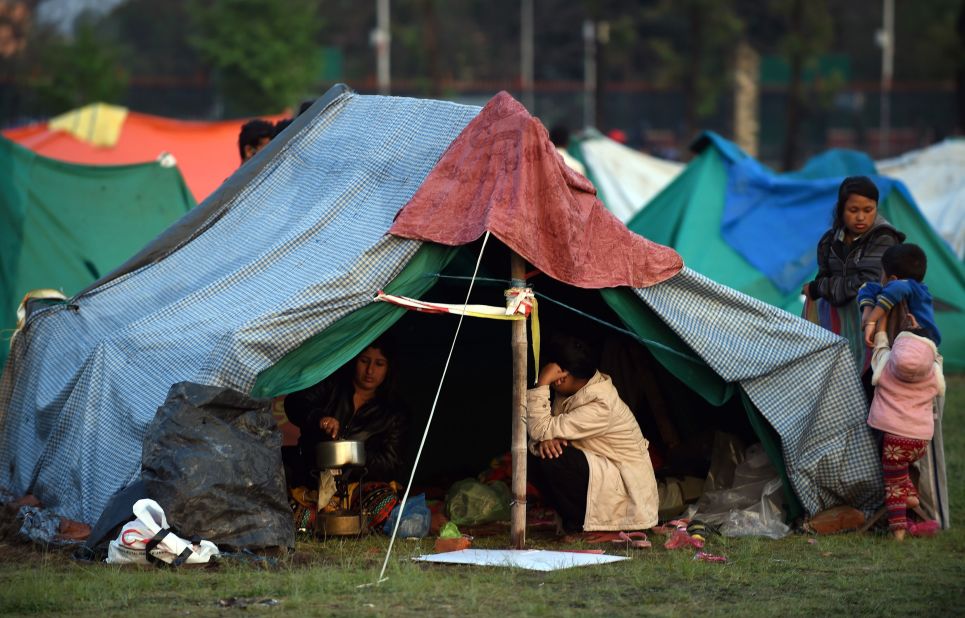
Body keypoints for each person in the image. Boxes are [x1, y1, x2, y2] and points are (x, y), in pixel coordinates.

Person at [526, 334, 658, 534]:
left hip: (626, 489)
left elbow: (541, 428)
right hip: (604, 472)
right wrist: (545, 439)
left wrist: (542, 382)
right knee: (537, 456)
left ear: (561, 377)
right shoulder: (572, 392)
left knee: (555, 459)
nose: (551, 382)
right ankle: (577, 523)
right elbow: (544, 431)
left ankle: (582, 525)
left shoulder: (601, 403)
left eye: (553, 376)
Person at [802, 176, 905, 375]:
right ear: (841, 209)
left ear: (876, 208)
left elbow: (867, 283)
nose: (861, 217)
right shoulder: (829, 242)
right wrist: (820, 286)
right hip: (838, 330)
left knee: (871, 383)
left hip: (873, 328)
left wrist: (819, 288)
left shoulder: (883, 238)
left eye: (868, 210)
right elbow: (823, 276)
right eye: (853, 210)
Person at [283, 336, 408, 488]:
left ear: (389, 368)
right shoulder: (333, 385)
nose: (370, 370)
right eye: (364, 361)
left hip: (358, 488)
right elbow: (294, 402)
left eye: (379, 364)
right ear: (354, 359)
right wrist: (319, 418)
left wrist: (353, 454)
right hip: (309, 476)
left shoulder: (394, 412)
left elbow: (391, 463)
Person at [866, 316, 944, 540]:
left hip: (894, 438)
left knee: (893, 486)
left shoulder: (887, 363)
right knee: (900, 470)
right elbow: (935, 355)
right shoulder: (933, 370)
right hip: (920, 440)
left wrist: (881, 326)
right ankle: (910, 496)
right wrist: (920, 331)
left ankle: (898, 530)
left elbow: (880, 345)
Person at [858, 243, 941, 348]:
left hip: (923, 344)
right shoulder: (906, 287)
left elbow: (898, 287)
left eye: (882, 272)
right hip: (901, 344)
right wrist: (867, 311)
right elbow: (868, 287)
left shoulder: (911, 288)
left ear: (892, 279)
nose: (880, 277)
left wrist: (871, 320)